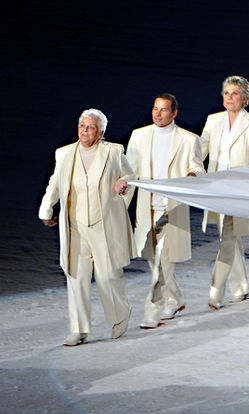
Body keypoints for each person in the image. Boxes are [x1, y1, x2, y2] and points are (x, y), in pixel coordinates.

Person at [38, 108, 135, 346]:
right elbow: (56, 183)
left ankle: (120, 315)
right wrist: (47, 208)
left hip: (104, 223)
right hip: (75, 224)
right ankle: (79, 329)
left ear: (100, 132)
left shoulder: (113, 152)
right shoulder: (65, 153)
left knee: (107, 276)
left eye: (90, 127)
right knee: (76, 275)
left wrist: (122, 186)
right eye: (82, 125)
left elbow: (131, 176)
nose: (84, 130)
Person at [124, 93, 205, 328]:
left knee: (163, 259)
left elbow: (198, 168)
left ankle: (153, 311)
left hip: (172, 207)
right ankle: (176, 299)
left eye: (163, 110)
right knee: (152, 258)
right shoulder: (139, 136)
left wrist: (193, 176)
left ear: (174, 113)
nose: (157, 114)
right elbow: (129, 173)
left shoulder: (189, 140)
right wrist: (120, 204)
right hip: (146, 208)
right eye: (155, 109)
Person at [199, 76, 249, 309]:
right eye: (226, 93)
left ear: (245, 99)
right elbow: (199, 151)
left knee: (228, 237)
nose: (229, 98)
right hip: (218, 188)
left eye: (234, 94)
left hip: (240, 190)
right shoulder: (213, 120)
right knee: (230, 237)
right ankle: (241, 288)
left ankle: (215, 291)